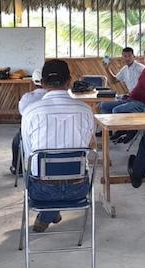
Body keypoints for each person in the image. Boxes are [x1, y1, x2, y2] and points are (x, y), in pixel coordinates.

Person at [21, 60, 94, 233]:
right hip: (78, 190)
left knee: (38, 170)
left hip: (41, 191)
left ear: (43, 83)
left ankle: (48, 213)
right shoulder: (86, 111)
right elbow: (89, 146)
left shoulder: (31, 112)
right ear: (69, 81)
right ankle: (50, 214)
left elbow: (29, 154)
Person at [10, 69, 47, 175]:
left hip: (31, 132)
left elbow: (23, 113)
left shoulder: (27, 98)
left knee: (17, 141)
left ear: (33, 81)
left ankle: (17, 168)